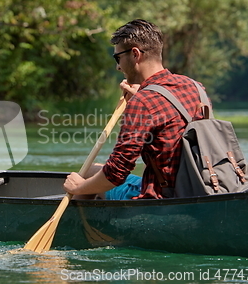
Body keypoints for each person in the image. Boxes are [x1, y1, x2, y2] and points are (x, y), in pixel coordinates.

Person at [63, 19, 209, 199]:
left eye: (118, 58)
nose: (118, 66)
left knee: (87, 176)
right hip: (198, 188)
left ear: (135, 54)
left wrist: (79, 188)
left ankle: (81, 226)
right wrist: (142, 94)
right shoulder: (196, 88)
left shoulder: (143, 102)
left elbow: (115, 174)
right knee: (93, 170)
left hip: (161, 197)